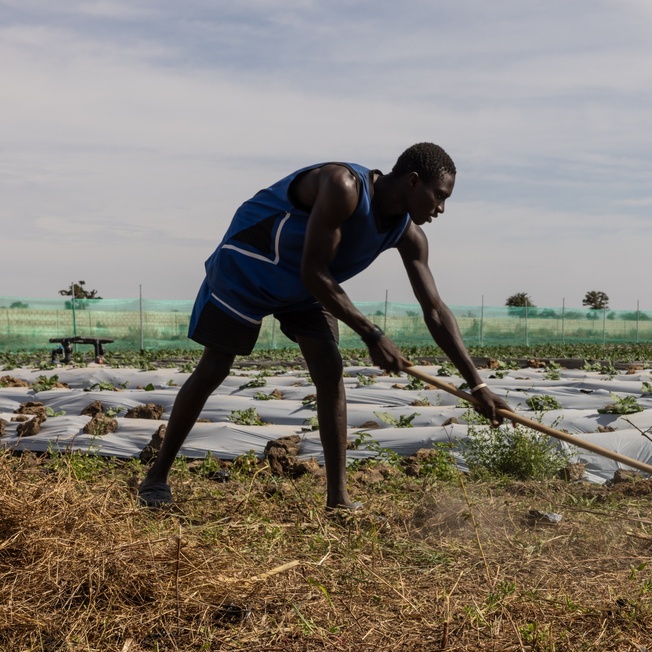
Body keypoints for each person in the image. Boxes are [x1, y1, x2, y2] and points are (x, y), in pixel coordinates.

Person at [137, 142, 509, 510]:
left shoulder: (409, 236)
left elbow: (436, 310)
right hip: (251, 268)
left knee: (330, 372)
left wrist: (477, 385)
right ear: (413, 181)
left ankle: (338, 499)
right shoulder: (343, 186)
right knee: (214, 368)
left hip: (304, 288)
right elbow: (313, 271)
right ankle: (155, 478)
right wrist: (372, 334)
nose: (441, 208)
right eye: (439, 196)